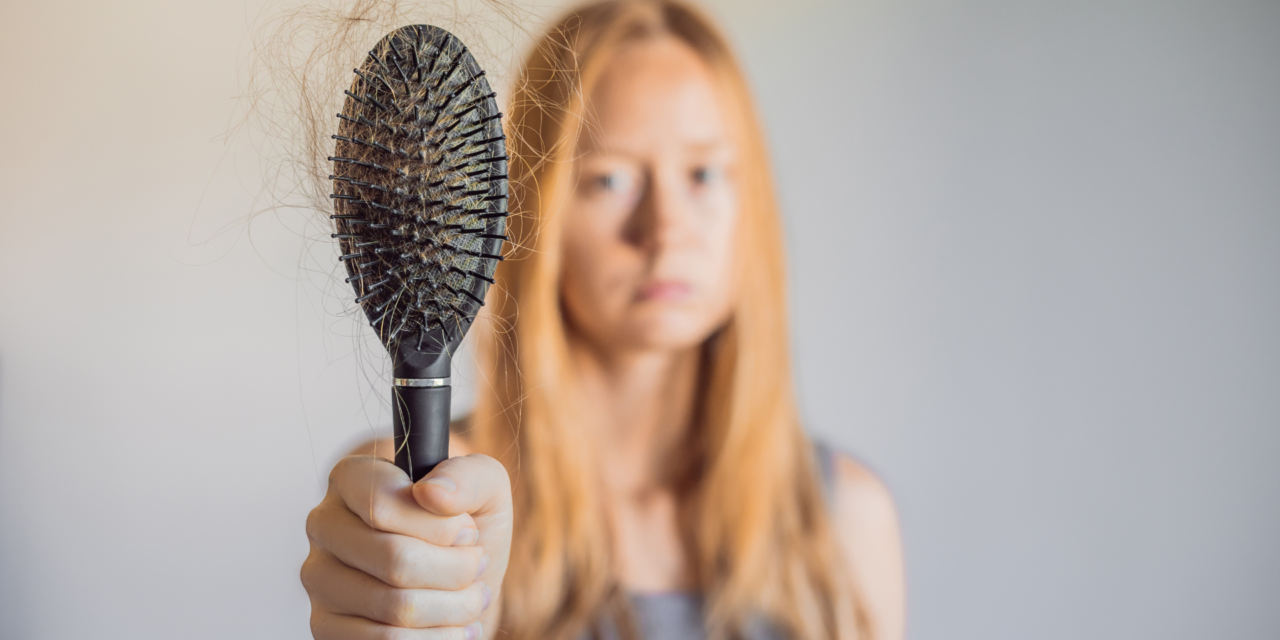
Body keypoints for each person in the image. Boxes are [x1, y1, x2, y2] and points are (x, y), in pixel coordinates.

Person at [300, 1, 905, 639]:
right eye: (610, 180)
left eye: (703, 173)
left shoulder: (848, 519)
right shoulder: (424, 497)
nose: (665, 230)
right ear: (531, 215)